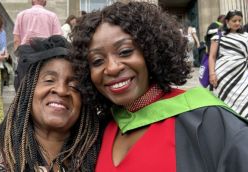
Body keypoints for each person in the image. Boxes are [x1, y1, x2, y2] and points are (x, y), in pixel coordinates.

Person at [71, 2, 248, 171]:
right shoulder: (99, 130)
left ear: (151, 51)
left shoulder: (207, 119)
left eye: (125, 52)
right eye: (97, 61)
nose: (112, 68)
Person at [0, 35, 101, 171]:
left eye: (74, 85)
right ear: (27, 90)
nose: (62, 90)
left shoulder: (99, 157)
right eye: (49, 80)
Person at [208, 10, 248, 118]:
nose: (237, 23)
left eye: (239, 20)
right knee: (225, 102)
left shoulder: (246, 35)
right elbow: (211, 57)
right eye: (234, 20)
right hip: (223, 75)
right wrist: (212, 74)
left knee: (244, 97)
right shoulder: (218, 36)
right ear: (227, 21)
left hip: (242, 73)